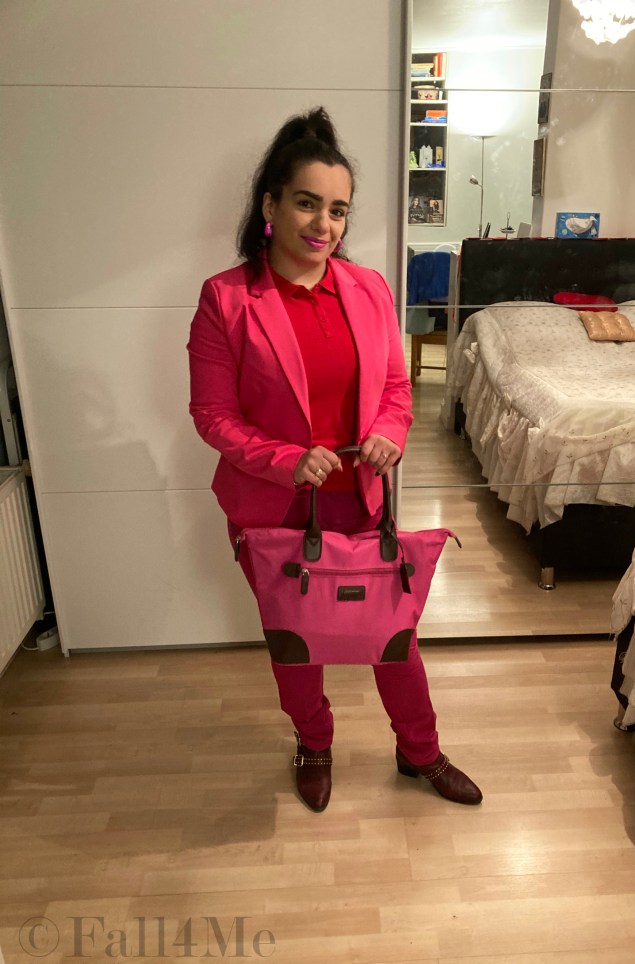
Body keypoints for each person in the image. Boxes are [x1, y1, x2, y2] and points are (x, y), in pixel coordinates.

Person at [187, 107, 481, 812]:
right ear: (270, 205)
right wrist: (287, 459)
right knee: (298, 644)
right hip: (274, 504)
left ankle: (420, 752)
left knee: (393, 638)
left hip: (360, 498)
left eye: (338, 210)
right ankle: (313, 743)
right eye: (307, 203)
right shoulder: (226, 299)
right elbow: (213, 416)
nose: (323, 225)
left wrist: (389, 432)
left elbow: (395, 388)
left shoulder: (371, 289)